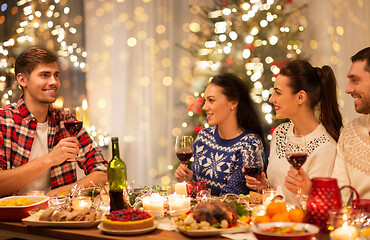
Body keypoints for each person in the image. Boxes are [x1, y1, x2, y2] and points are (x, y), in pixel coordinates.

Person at [0, 47, 108, 197]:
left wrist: (61, 193)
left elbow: (102, 172)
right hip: (12, 219)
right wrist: (50, 159)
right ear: (22, 80)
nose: (54, 82)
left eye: (56, 75)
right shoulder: (4, 120)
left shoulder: (67, 122)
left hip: (56, 218)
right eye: (44, 75)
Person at [246, 60, 343, 204]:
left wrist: (306, 192)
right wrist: (264, 187)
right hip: (273, 220)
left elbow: (319, 205)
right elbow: (280, 193)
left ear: (300, 97)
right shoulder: (280, 133)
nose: (272, 99)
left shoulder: (326, 147)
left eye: (278, 93)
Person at [286, 47, 370, 201]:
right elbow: (339, 199)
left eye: (355, 80)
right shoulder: (350, 133)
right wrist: (310, 190)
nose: (348, 89)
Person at [174, 73, 265, 196]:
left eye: (211, 100)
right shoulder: (203, 137)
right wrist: (189, 181)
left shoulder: (249, 144)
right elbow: (198, 191)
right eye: (205, 100)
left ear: (233, 103)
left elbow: (231, 197)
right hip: (201, 213)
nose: (205, 107)